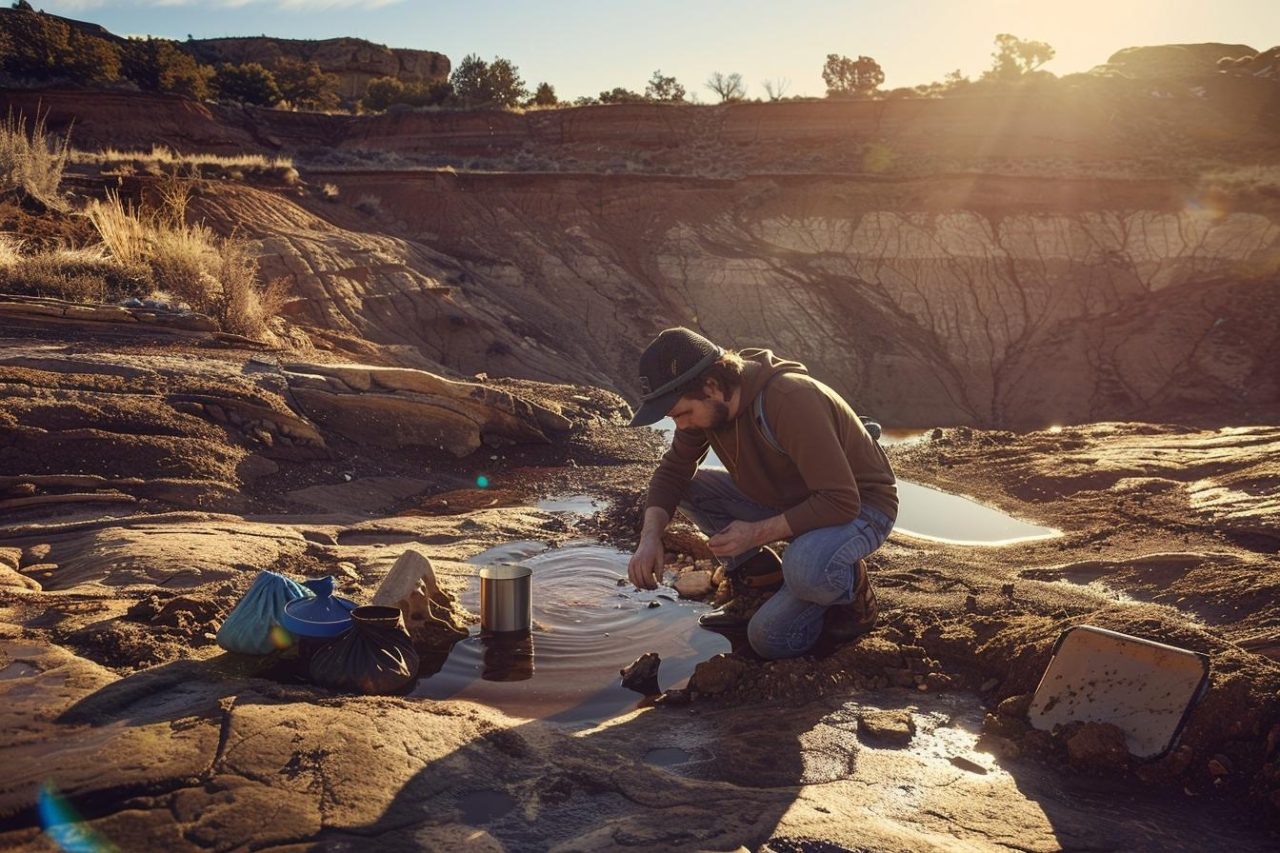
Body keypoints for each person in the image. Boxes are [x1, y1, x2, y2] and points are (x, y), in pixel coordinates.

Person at [625, 327, 897, 660]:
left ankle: (851, 590)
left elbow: (840, 501)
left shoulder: (788, 398)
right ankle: (761, 582)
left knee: (771, 637)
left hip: (861, 507)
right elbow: (672, 472)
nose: (681, 426)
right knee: (691, 490)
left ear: (711, 386)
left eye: (682, 414)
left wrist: (756, 533)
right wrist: (650, 537)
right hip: (798, 500)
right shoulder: (709, 408)